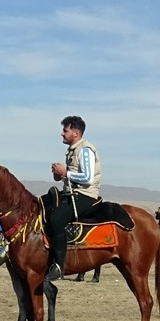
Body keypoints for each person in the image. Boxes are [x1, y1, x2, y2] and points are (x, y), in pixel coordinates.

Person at [45, 116, 101, 281]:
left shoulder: (85, 150)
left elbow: (87, 177)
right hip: (72, 193)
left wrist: (65, 173)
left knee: (56, 219)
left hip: (85, 195)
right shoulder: (73, 151)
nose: (62, 134)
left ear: (75, 133)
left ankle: (59, 265)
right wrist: (60, 176)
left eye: (65, 130)